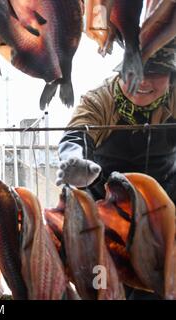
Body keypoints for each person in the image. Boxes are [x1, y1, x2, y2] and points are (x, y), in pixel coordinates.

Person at [56, 39, 176, 299]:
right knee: (103, 285)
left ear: (171, 76)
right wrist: (73, 161)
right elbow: (76, 135)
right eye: (134, 72)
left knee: (157, 286)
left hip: (160, 211)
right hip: (105, 211)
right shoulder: (101, 98)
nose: (142, 82)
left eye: (154, 74)